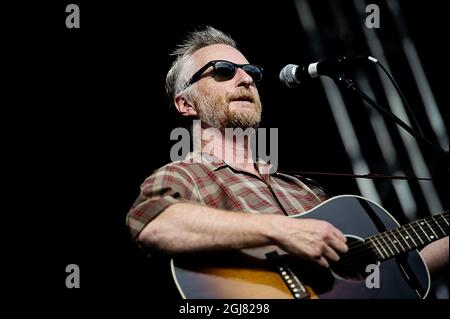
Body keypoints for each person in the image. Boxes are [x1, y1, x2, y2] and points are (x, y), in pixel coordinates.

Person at [126, 26, 448, 289]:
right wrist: (281, 231)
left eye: (250, 71)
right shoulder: (186, 174)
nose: (246, 79)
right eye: (223, 71)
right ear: (186, 104)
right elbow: (153, 225)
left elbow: (396, 275)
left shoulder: (303, 189)